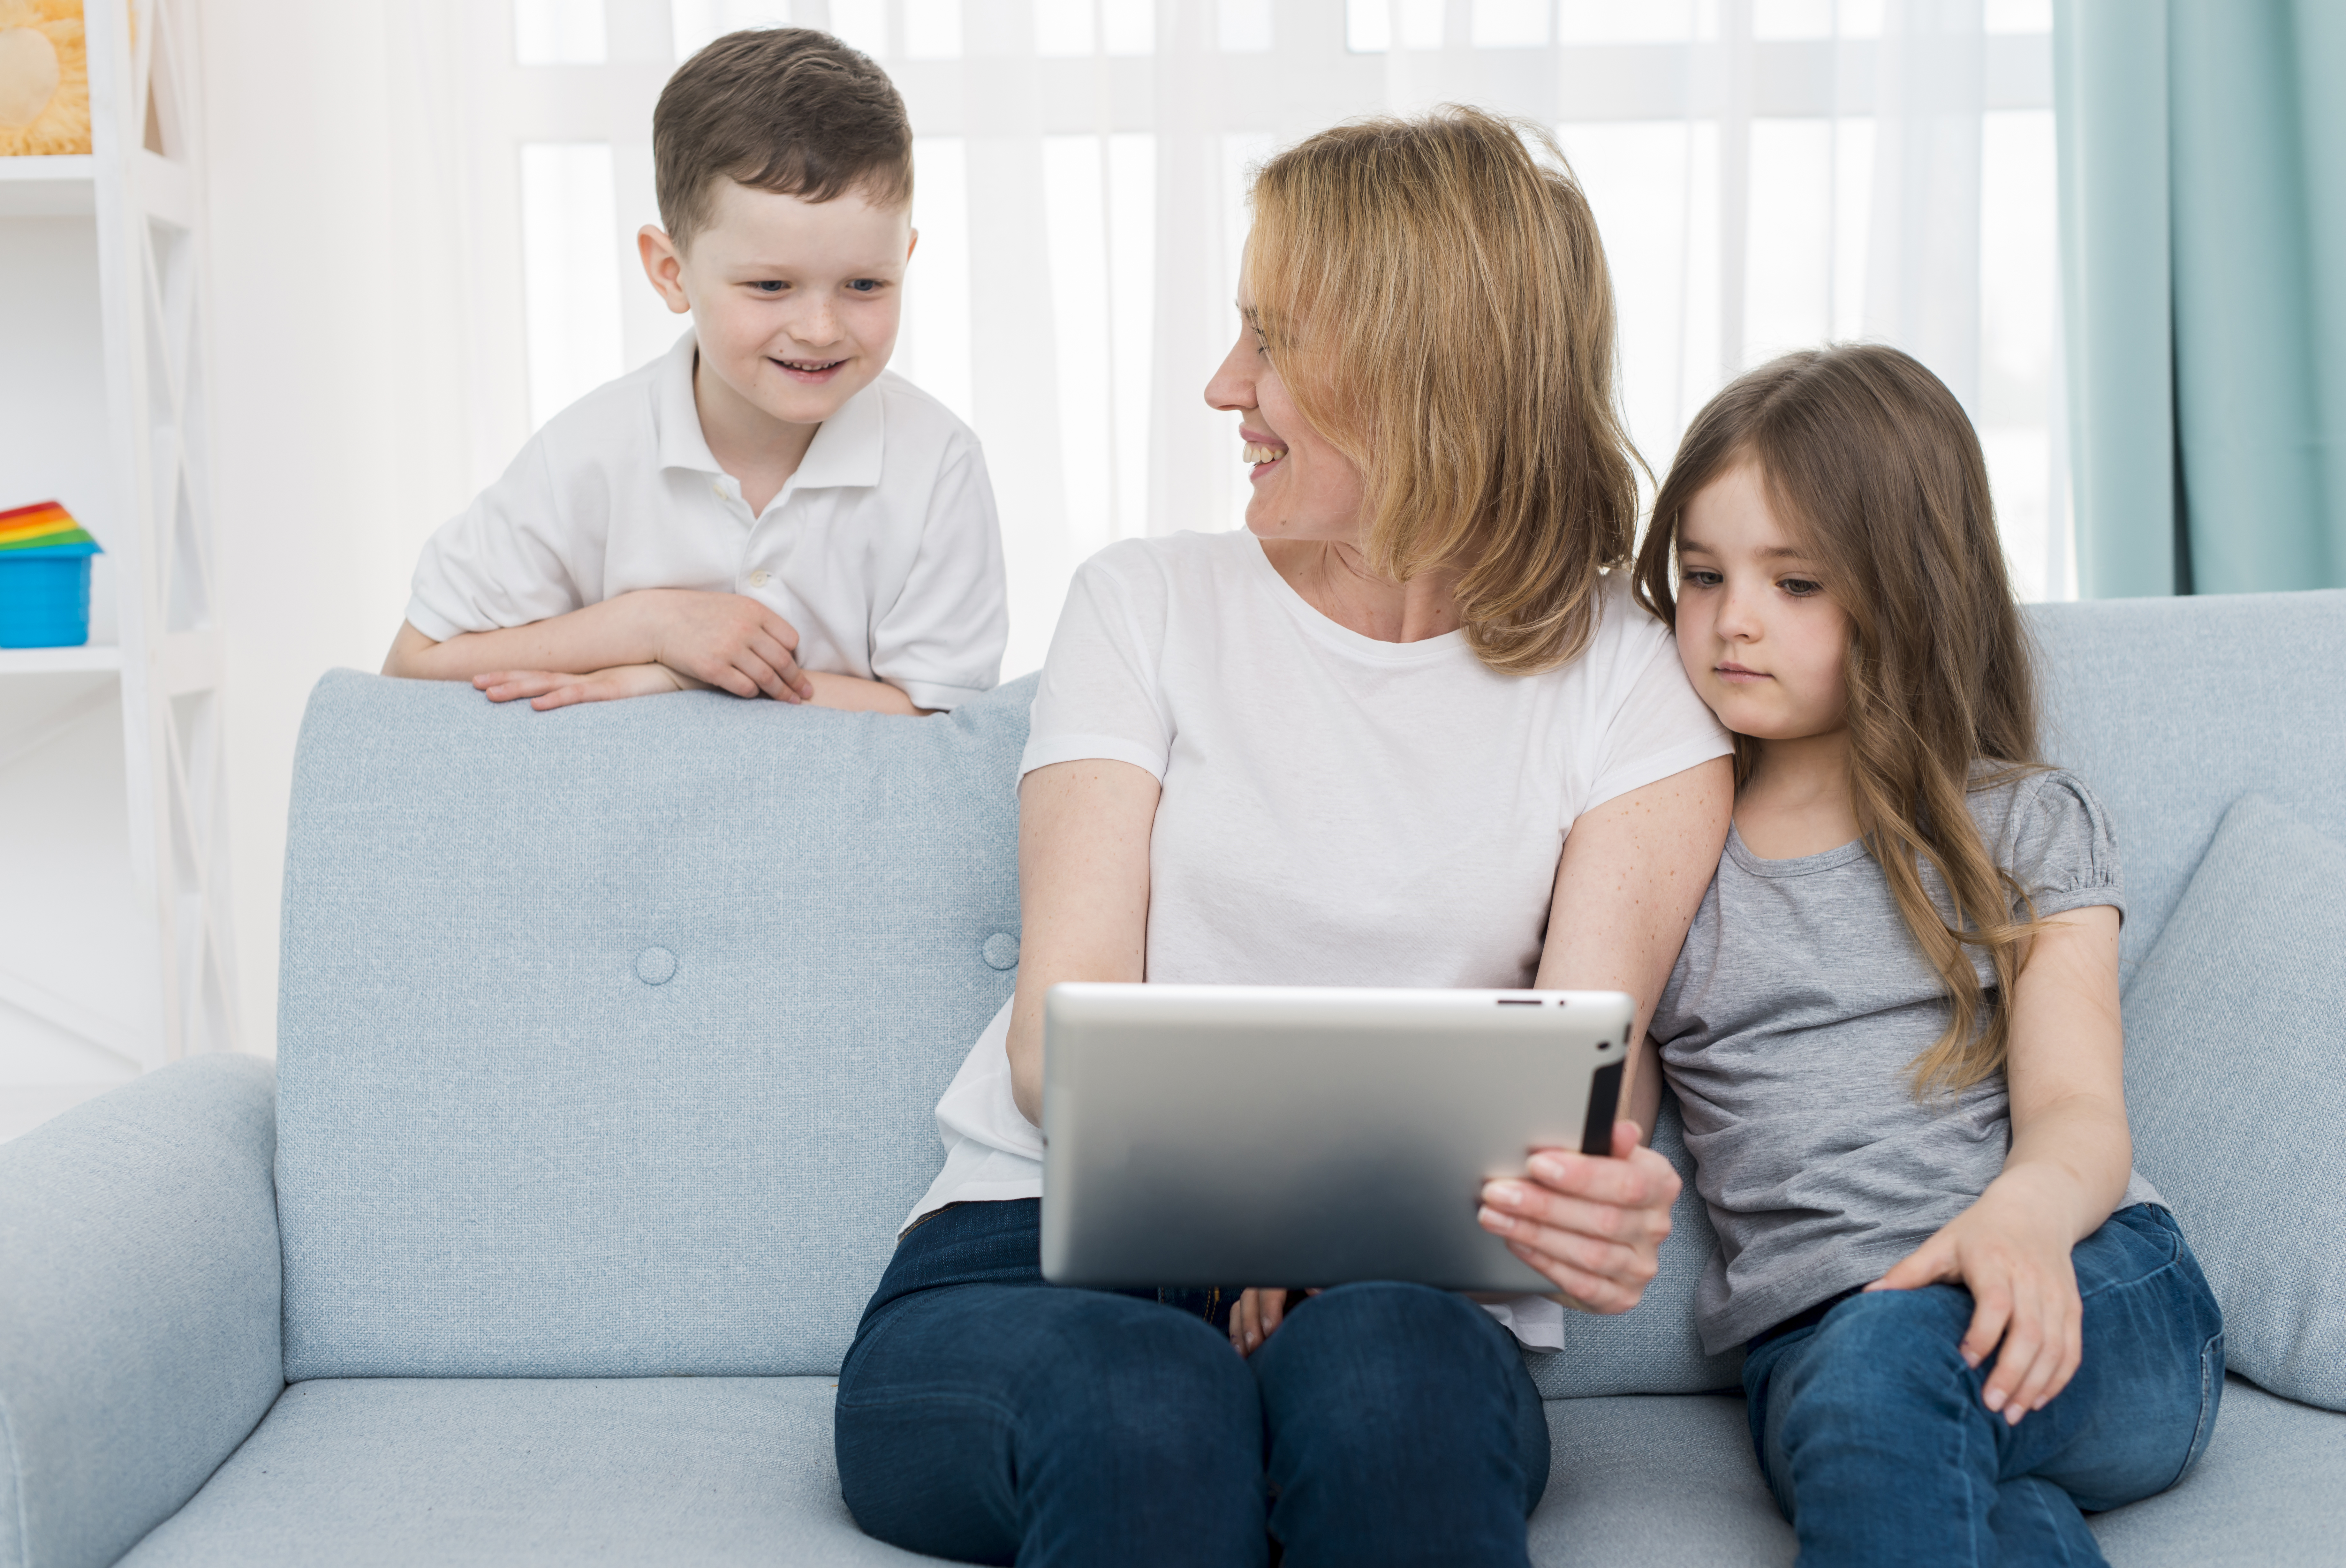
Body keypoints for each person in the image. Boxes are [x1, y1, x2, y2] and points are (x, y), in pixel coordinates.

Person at [832, 108, 1735, 1566]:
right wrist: (1287, 1209)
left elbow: (1576, 1070)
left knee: (1390, 1383)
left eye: (1271, 339)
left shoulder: (1628, 683)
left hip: (1398, 1295)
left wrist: (1595, 1198)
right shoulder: (1145, 604)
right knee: (1146, 1393)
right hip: (1041, 1251)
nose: (1220, 386)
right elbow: (1057, 1043)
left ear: (1422, 370)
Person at [1633, 343, 2225, 1566]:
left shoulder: (2020, 822)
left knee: (1884, 1380)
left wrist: (2018, 1222)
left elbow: (2079, 1111)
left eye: (1796, 584)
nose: (1735, 618)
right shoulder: (1656, 845)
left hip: (2088, 1281)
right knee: (1921, 1441)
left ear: (1908, 589)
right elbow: (1588, 1095)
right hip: (1822, 1343)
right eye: (1703, 575)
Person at [382, 29, 1006, 716]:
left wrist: (685, 679)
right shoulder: (585, 455)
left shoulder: (939, 465)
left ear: (905, 260)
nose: (820, 329)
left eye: (864, 284)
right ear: (669, 271)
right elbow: (412, 667)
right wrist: (647, 626)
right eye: (770, 286)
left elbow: (946, 727)